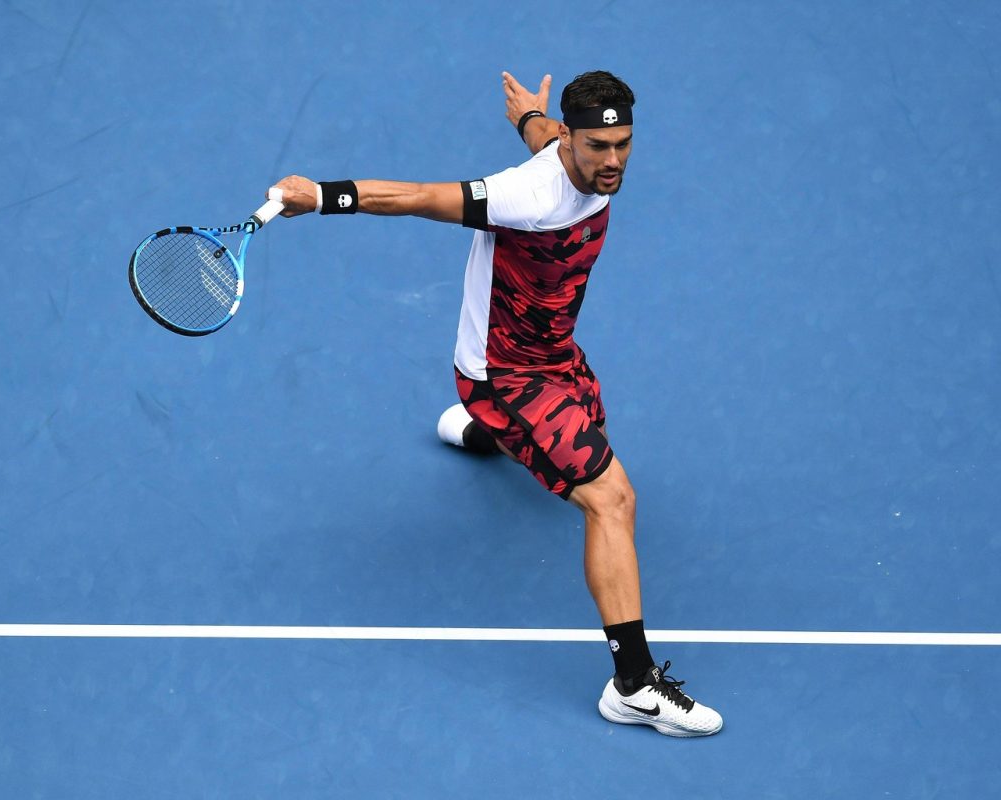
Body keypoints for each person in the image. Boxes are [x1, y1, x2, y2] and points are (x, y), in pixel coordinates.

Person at [271, 70, 722, 737]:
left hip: (555, 355)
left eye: (623, 144)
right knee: (611, 500)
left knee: (590, 437)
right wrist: (323, 195)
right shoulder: (524, 195)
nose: (613, 161)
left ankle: (483, 435)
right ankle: (632, 686)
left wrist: (528, 119)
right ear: (572, 139)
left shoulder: (572, 153)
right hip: (505, 378)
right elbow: (418, 197)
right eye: (599, 147)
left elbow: (548, 143)